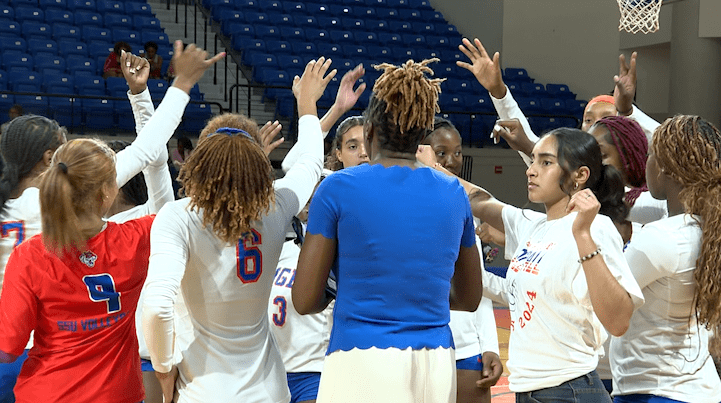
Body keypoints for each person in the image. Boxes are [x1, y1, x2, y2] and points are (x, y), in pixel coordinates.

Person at [0, 41, 225, 403]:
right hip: (113, 388)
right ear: (105, 189)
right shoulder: (136, 234)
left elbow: (7, 346)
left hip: (35, 370)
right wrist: (177, 85)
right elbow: (150, 152)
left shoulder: (29, 252)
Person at [142, 56, 332, 403]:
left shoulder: (177, 216)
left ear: (200, 162)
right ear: (257, 164)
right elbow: (310, 162)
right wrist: (307, 104)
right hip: (268, 390)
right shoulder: (277, 206)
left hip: (203, 390)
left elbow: (156, 307)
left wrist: (164, 368)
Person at [293, 59, 483, 403]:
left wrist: (341, 291)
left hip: (360, 356)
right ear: (422, 133)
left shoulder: (337, 188)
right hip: (435, 362)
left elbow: (305, 300)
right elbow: (469, 299)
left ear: (369, 130)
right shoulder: (453, 192)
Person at [611, 115, 721, 403]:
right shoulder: (706, 230)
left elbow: (609, 300)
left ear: (665, 169)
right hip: (695, 385)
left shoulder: (662, 236)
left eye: (650, 155)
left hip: (656, 390)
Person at [422, 116, 503, 403]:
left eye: (457, 152)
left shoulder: (469, 206)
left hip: (466, 345)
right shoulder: (406, 202)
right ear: (422, 150)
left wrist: (489, 345)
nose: (452, 160)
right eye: (442, 152)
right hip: (418, 344)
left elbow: (477, 283)